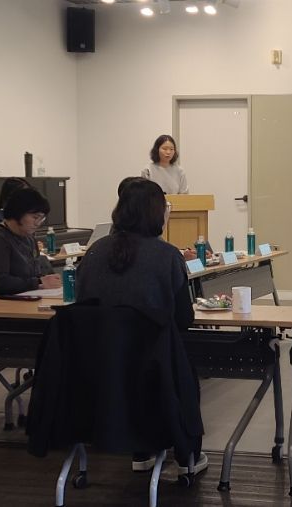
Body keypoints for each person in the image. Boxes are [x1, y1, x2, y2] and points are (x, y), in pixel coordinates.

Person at [75, 178, 206, 474]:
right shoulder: (167, 256)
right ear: (157, 213)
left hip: (99, 366)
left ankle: (141, 452)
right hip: (153, 368)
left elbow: (83, 306)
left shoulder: (94, 253)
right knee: (182, 365)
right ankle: (187, 457)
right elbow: (183, 319)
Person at [0, 188, 61, 296]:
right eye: (35, 217)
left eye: (41, 219)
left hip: (30, 297)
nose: (38, 223)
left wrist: (47, 279)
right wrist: (38, 282)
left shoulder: (29, 237)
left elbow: (34, 273)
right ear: (18, 213)